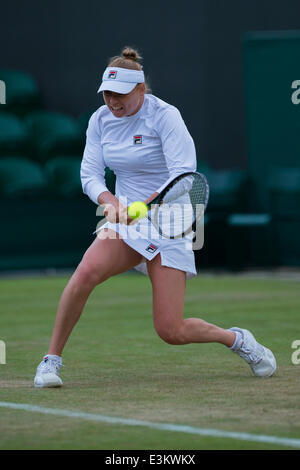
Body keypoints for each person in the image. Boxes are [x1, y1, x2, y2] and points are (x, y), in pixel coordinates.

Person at [34, 47, 276, 388]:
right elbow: (89, 172)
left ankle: (237, 340)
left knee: (170, 330)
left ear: (141, 90)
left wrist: (142, 207)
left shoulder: (165, 116)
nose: (112, 101)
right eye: (107, 94)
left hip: (171, 221)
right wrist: (108, 201)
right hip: (125, 222)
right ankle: (50, 362)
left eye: (120, 95)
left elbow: (183, 175)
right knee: (85, 273)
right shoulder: (99, 120)